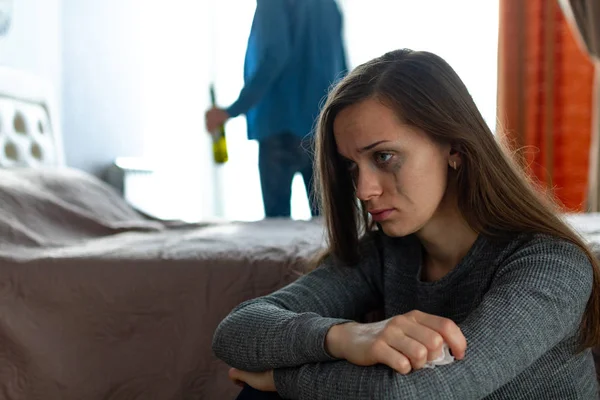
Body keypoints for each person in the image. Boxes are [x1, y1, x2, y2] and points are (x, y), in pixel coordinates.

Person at [212, 49, 600, 399]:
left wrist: (280, 380)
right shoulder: (388, 254)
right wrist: (346, 337)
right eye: (351, 166)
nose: (363, 190)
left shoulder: (552, 265)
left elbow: (414, 393)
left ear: (454, 148)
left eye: (383, 157)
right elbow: (236, 331)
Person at [205, 0, 347, 218]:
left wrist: (230, 111)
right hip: (322, 128)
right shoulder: (329, 4)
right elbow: (343, 70)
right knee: (327, 227)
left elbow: (275, 56)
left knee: (276, 228)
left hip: (279, 127)